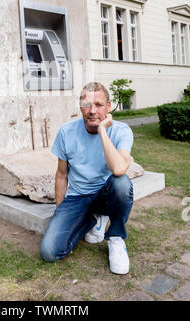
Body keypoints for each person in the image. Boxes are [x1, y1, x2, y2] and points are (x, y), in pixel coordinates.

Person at [40, 82, 134, 274]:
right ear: (80, 107)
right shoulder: (67, 131)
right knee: (49, 252)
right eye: (86, 105)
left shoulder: (121, 131)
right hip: (77, 198)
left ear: (108, 107)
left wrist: (102, 131)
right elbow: (61, 174)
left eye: (99, 105)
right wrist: (61, 212)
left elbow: (118, 169)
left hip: (105, 194)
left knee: (122, 183)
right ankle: (92, 220)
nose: (92, 111)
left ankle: (115, 237)